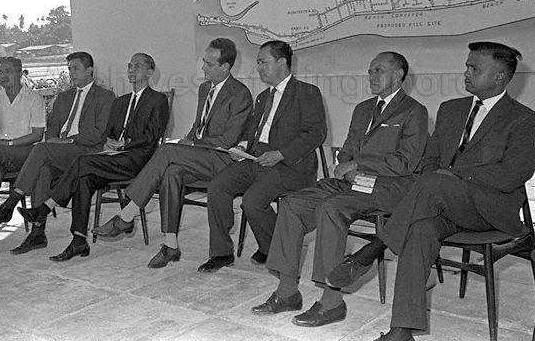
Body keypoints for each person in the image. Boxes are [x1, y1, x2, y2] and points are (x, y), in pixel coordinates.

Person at [326, 41, 535, 341]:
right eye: (467, 65)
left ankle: (373, 249)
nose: (465, 72)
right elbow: (429, 160)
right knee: (420, 230)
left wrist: (452, 175)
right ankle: (401, 331)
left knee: (436, 182)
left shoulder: (525, 120)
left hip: (487, 210)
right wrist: (440, 177)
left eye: (474, 68)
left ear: (500, 78)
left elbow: (511, 175)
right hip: (438, 204)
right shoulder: (451, 109)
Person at [251, 52, 429, 325]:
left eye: (378, 71)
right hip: (351, 181)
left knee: (331, 209)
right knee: (293, 203)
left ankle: (331, 303)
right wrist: (345, 164)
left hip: (389, 187)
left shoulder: (413, 111)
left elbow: (406, 161)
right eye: (369, 71)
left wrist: (358, 164)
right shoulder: (363, 108)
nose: (371, 76)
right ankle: (287, 291)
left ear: (398, 75)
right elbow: (347, 149)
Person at [94, 38, 253, 268]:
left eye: (209, 64)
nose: (203, 68)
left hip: (223, 159)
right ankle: (170, 245)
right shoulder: (205, 88)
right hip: (202, 155)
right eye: (204, 62)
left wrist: (189, 146)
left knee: (167, 150)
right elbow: (199, 126)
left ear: (225, 67)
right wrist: (188, 140)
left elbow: (227, 140)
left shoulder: (240, 94)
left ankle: (127, 214)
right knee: (172, 172)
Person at [19, 53, 169, 259]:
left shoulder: (158, 99)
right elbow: (110, 131)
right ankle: (78, 240)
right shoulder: (121, 101)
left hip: (138, 159)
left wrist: (126, 144)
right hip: (113, 156)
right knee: (84, 178)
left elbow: (153, 135)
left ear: (150, 72)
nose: (132, 70)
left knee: (82, 161)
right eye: (129, 65)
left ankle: (46, 207)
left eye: (138, 66)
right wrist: (112, 142)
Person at [198, 40, 327, 273]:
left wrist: (281, 154)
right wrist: (241, 147)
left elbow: (315, 134)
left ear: (282, 62)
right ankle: (221, 252)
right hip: (256, 161)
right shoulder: (262, 97)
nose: (258, 68)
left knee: (252, 200)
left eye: (263, 62)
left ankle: (276, 250)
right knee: (217, 186)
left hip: (290, 165)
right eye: (257, 62)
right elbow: (251, 133)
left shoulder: (307, 93)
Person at [0, 51, 115, 249]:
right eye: (69, 69)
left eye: (75, 68)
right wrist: (56, 140)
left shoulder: (105, 96)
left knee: (41, 150)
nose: (71, 73)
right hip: (59, 150)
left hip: (87, 151)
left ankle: (9, 205)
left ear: (89, 70)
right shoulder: (64, 96)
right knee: (43, 169)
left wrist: (66, 141)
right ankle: (37, 233)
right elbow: (51, 129)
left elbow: (98, 134)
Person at [0, 56, 46, 245]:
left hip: (26, 153)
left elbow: (37, 135)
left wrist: (6, 145)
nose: (3, 76)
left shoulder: (34, 98)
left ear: (20, 72)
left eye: (8, 71)